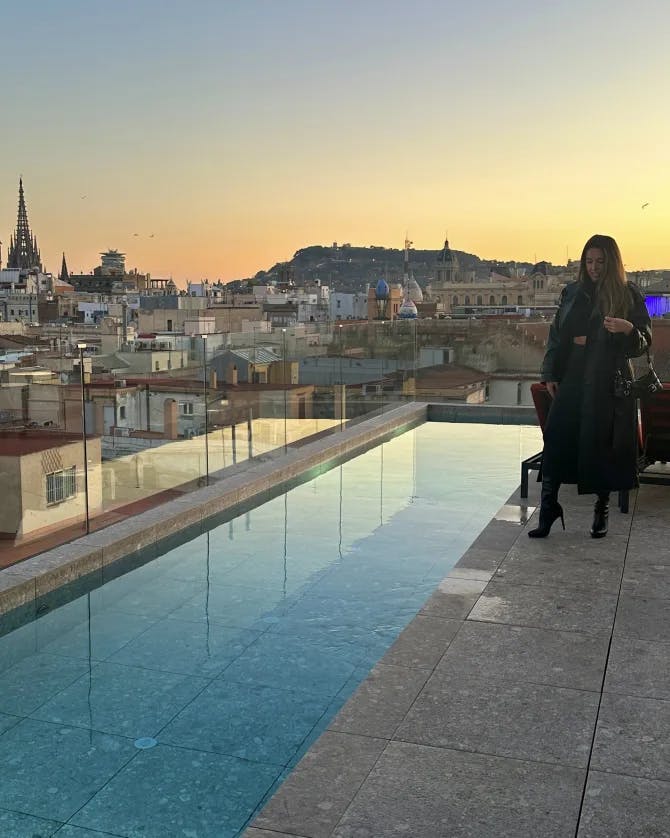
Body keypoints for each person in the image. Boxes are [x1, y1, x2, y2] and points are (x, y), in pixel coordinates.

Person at [529, 233, 652, 538]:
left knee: (603, 445)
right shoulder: (572, 292)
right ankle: (548, 508)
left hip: (609, 379)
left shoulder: (628, 294)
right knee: (556, 438)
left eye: (600, 261)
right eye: (589, 261)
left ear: (612, 262)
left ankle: (602, 510)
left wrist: (628, 329)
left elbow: (643, 342)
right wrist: (550, 373)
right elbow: (557, 336)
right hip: (573, 376)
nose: (594, 267)